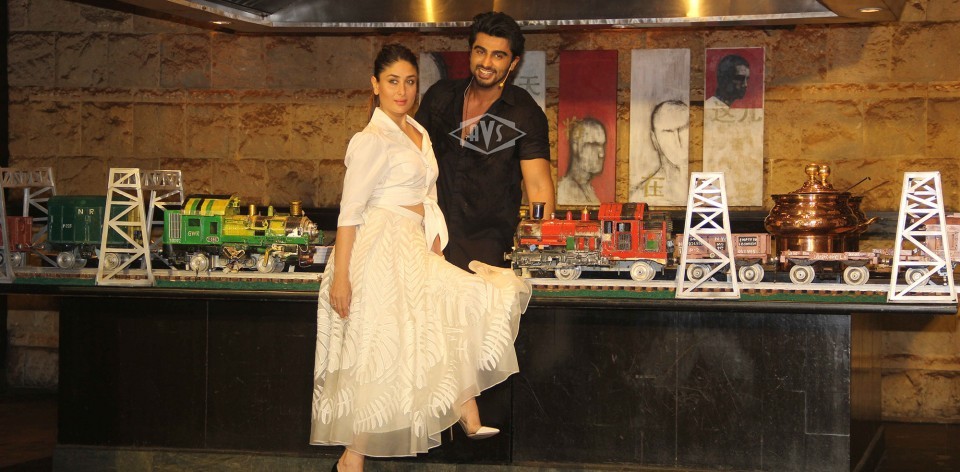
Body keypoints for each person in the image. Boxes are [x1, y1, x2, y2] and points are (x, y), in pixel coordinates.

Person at [311, 44, 531, 472]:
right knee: (382, 352)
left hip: (413, 244)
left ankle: (460, 408)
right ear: (375, 85)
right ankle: (355, 457)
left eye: (410, 82)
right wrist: (341, 277)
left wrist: (433, 244)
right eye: (393, 81)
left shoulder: (417, 131)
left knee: (460, 305)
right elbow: (350, 213)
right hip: (378, 249)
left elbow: (428, 195)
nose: (402, 91)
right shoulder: (370, 139)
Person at [415, 11, 554, 271]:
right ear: (470, 52)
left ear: (513, 63)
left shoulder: (524, 114)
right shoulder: (439, 98)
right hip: (430, 250)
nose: (486, 62)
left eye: (498, 55)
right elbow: (410, 166)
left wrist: (541, 259)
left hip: (488, 260)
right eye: (481, 51)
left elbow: (539, 188)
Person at [632, 100, 689, 202]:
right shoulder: (641, 196)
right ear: (654, 139)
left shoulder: (709, 188)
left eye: (683, 128)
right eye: (668, 132)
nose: (677, 139)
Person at [557, 117, 606, 205]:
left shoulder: (589, 190)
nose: (601, 154)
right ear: (575, 146)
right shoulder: (564, 191)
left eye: (602, 145)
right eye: (594, 145)